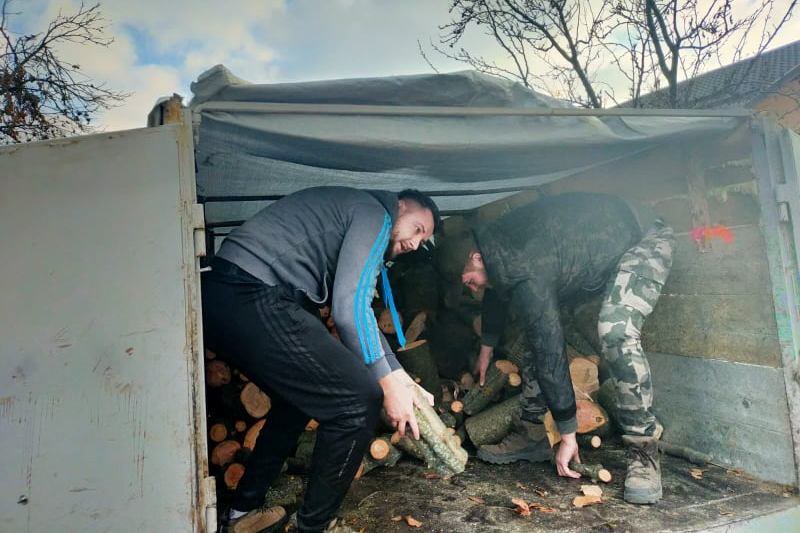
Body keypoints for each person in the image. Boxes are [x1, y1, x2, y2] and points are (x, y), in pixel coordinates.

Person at [202, 186, 441, 532]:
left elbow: (364, 316)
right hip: (250, 290)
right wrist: (386, 385)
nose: (415, 244)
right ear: (401, 206)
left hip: (228, 292)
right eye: (418, 229)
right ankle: (312, 527)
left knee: (297, 401)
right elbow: (349, 310)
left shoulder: (355, 211)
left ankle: (242, 512)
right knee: (360, 400)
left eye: (424, 240)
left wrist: (401, 377)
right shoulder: (376, 213)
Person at [447, 192, 673, 505]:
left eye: (467, 280)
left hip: (641, 237)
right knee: (533, 330)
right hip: (592, 253)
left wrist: (568, 435)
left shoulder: (523, 268)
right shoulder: (499, 249)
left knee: (615, 330)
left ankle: (644, 451)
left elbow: (550, 348)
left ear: (476, 257)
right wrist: (487, 348)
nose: (468, 287)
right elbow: (497, 291)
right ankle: (533, 433)